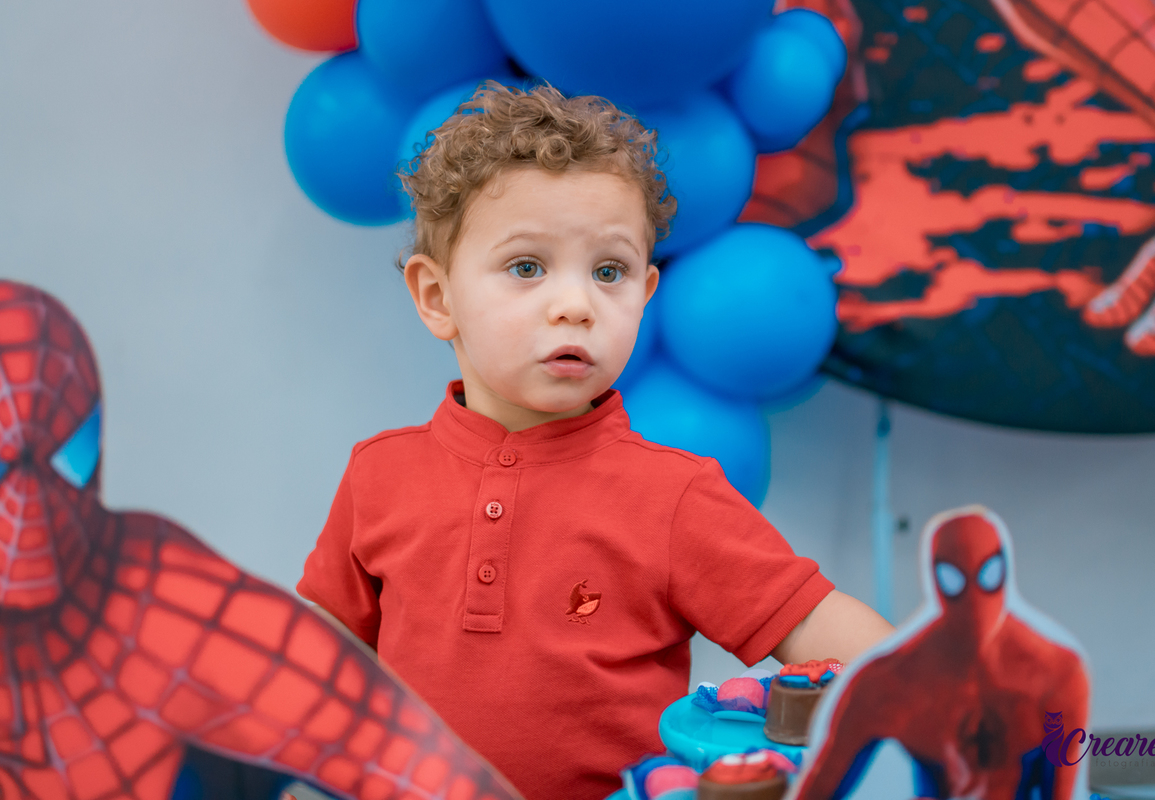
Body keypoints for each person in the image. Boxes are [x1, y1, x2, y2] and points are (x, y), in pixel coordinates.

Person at [297, 81, 894, 800]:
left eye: (608, 272)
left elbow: (819, 627)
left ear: (643, 295)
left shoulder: (675, 496)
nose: (576, 305)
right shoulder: (379, 476)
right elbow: (317, 655)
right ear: (437, 297)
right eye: (527, 267)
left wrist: (936, 695)